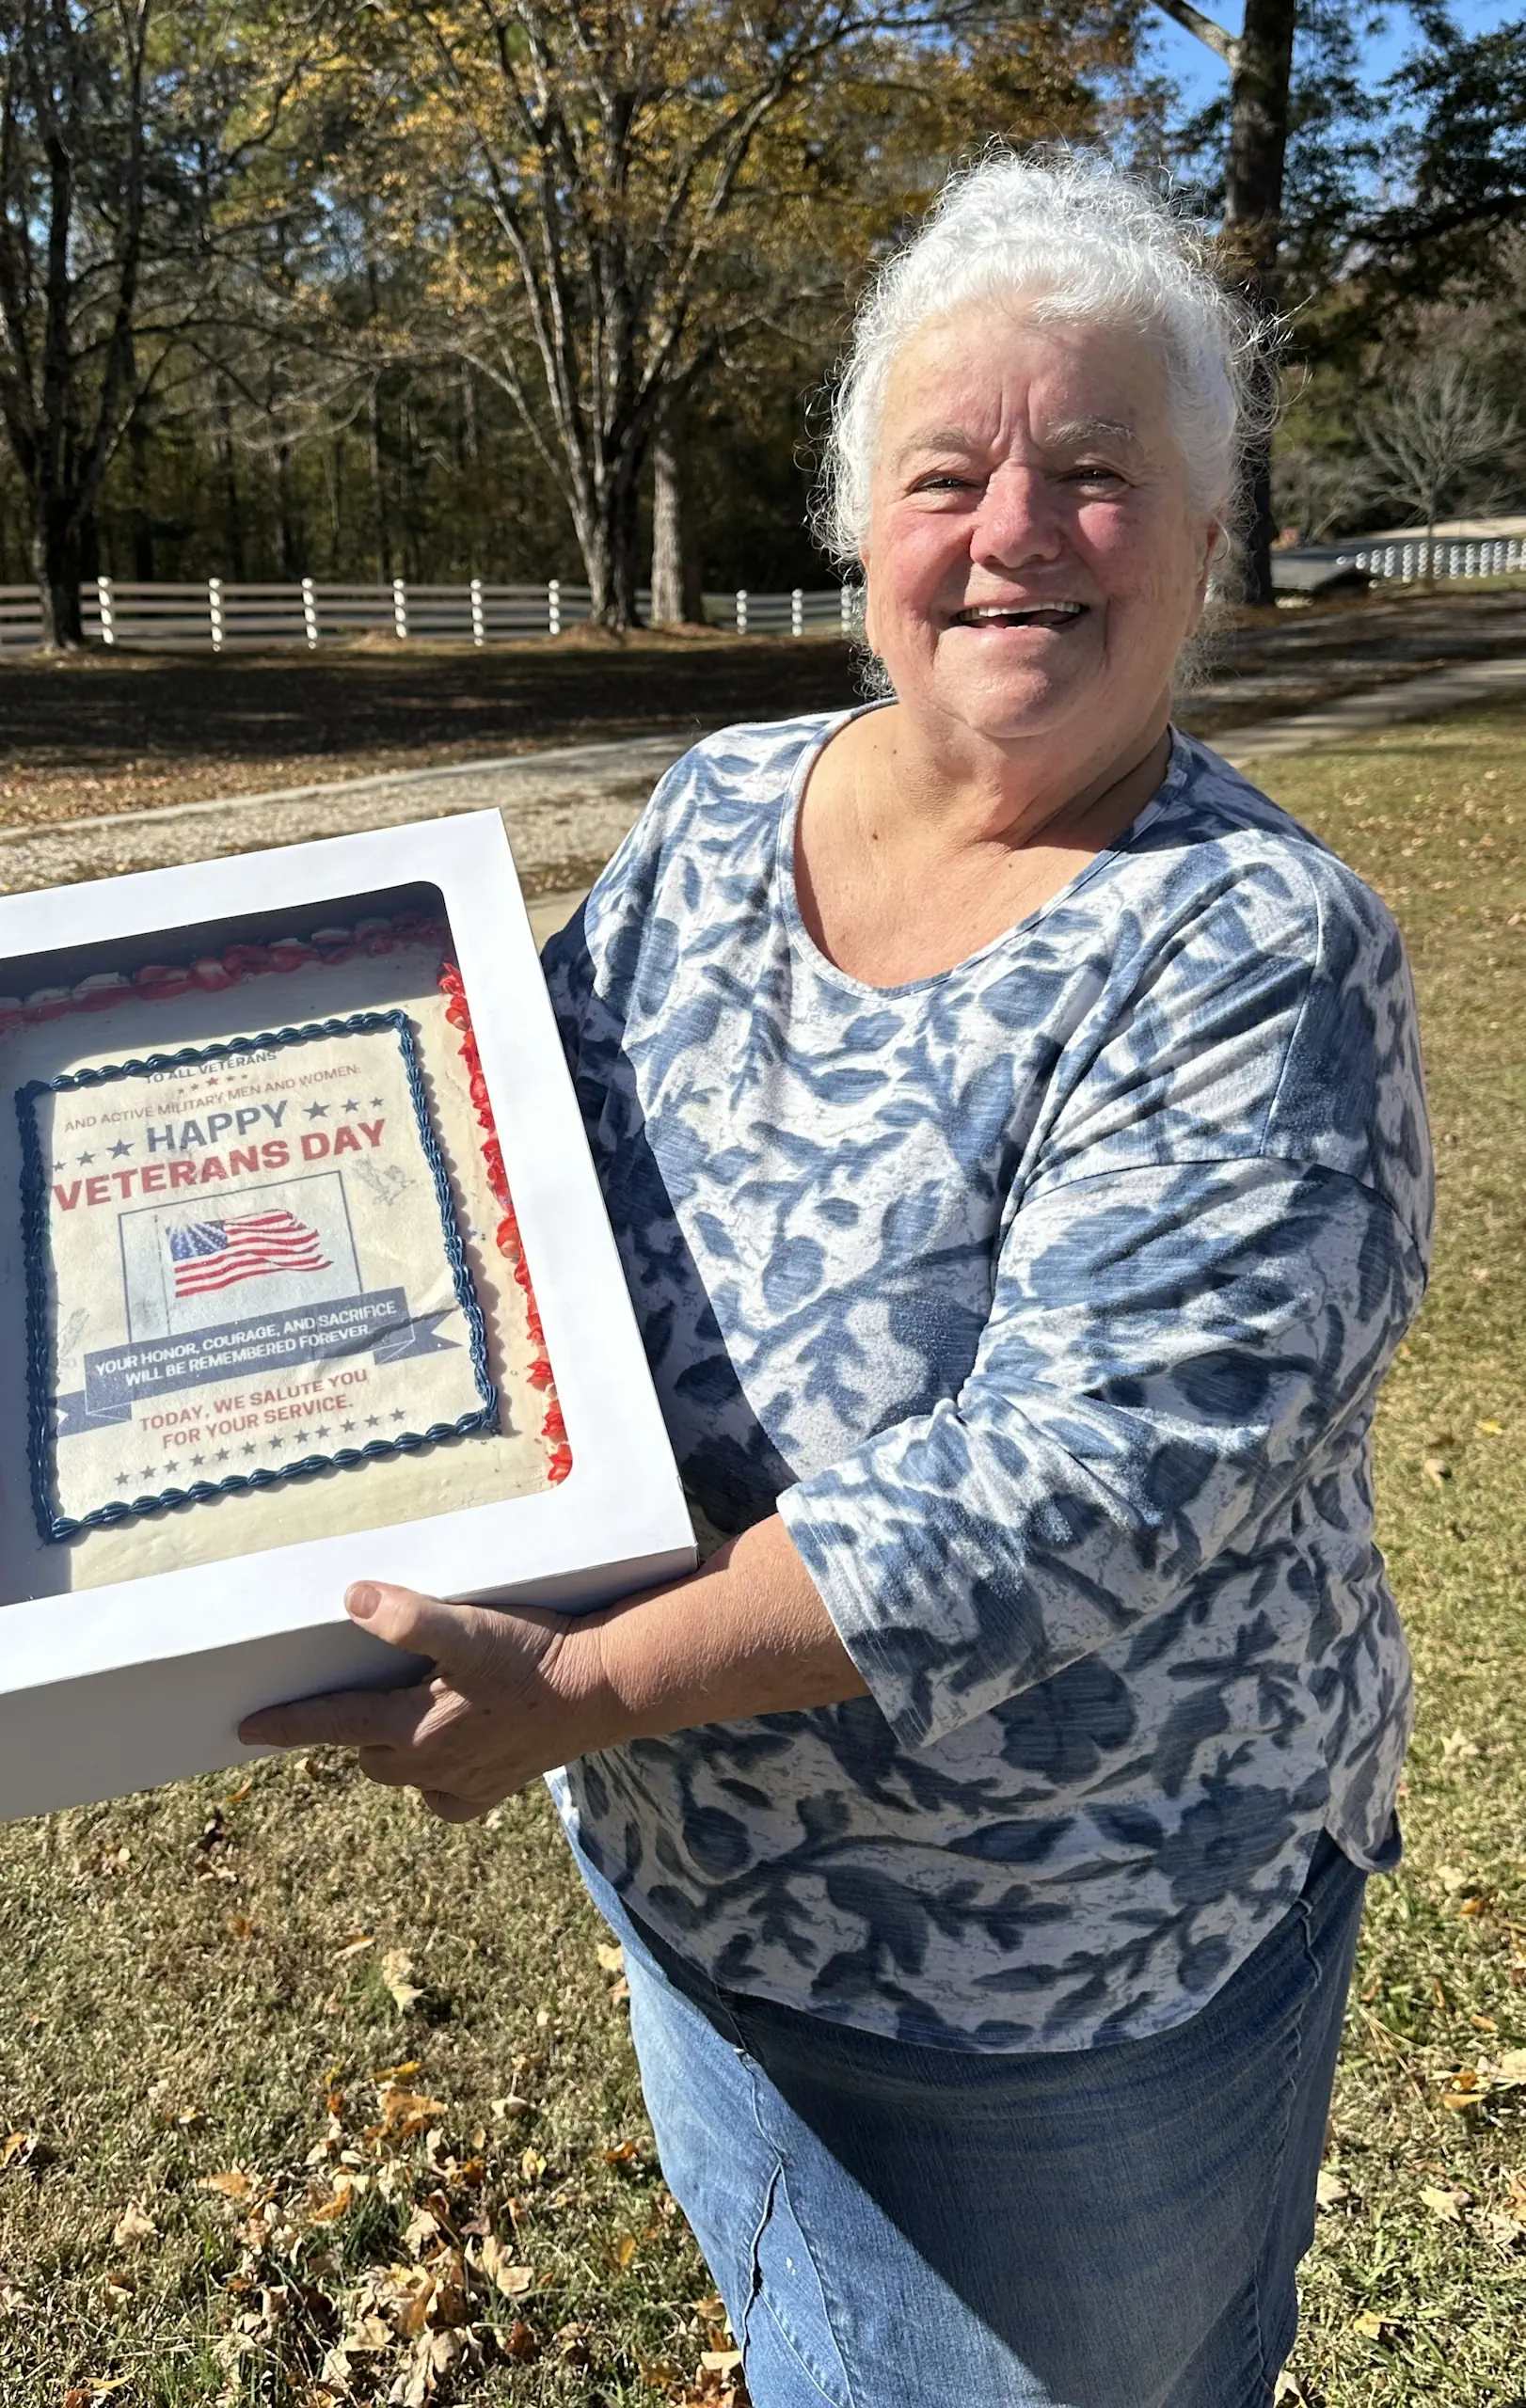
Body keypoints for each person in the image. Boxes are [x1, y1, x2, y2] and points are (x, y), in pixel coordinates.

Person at [242, 150, 1433, 2408]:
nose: (1012, 532)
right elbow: (497, 1166)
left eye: (1095, 475)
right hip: (703, 1892)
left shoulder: (1253, 953)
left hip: (1046, 1998)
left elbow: (1072, 1489)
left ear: (1199, 538)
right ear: (855, 523)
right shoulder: (716, 807)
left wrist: (585, 1688)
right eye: (948, 473)